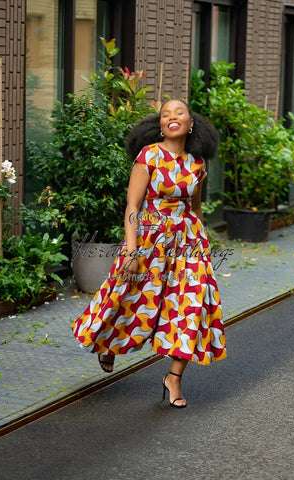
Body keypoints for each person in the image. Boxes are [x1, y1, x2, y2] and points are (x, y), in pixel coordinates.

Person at [71, 99, 227, 408]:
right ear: (160, 125)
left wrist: (203, 240)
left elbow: (194, 208)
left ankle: (174, 377)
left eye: (179, 112)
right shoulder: (149, 157)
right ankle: (108, 343)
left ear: (190, 123)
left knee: (193, 306)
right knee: (129, 298)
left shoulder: (197, 164)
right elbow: (132, 206)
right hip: (149, 241)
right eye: (166, 114)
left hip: (187, 244)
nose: (172, 117)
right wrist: (130, 250)